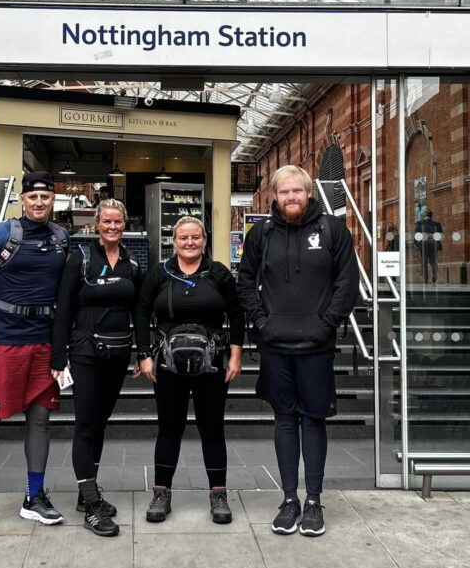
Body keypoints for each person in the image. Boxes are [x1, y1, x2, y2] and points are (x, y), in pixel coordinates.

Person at [237, 164, 357, 537]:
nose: (291, 198)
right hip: (275, 344)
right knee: (284, 420)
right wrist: (263, 322)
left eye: (298, 191)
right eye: (284, 192)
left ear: (309, 193)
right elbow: (244, 281)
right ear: (274, 195)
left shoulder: (333, 230)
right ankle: (289, 499)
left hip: (316, 346)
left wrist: (326, 324)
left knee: (313, 420)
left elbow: (347, 283)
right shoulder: (261, 234)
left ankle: (314, 501)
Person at [0, 170, 69, 536]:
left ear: (54, 201)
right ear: (23, 199)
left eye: (46, 197)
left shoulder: (61, 238)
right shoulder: (3, 234)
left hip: (43, 343)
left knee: (40, 419)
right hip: (3, 340)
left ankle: (33, 497)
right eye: (33, 197)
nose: (40, 203)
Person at [134, 216, 245, 525]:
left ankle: (218, 494)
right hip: (167, 365)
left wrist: (236, 355)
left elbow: (237, 315)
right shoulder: (160, 273)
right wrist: (143, 355)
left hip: (213, 363)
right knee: (169, 427)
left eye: (196, 237)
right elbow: (141, 313)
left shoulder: (219, 273)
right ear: (174, 241)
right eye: (183, 237)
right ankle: (161, 493)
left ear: (204, 240)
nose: (190, 242)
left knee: (213, 428)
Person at [51, 198, 142, 537]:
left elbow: (140, 312)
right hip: (86, 352)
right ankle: (91, 504)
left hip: (117, 354)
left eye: (118, 221)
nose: (113, 226)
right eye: (107, 221)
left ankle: (84, 491)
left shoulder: (132, 263)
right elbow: (63, 310)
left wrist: (143, 351)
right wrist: (58, 359)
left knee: (100, 424)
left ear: (124, 224)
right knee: (86, 426)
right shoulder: (81, 258)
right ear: (97, 224)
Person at [414, 208, 443, 284]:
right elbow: (440, 235)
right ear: (431, 215)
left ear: (424, 215)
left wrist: (417, 244)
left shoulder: (419, 223)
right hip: (434, 245)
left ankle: (425, 278)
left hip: (424, 245)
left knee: (424, 262)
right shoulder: (437, 224)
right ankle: (435, 274)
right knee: (433, 261)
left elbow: (417, 235)